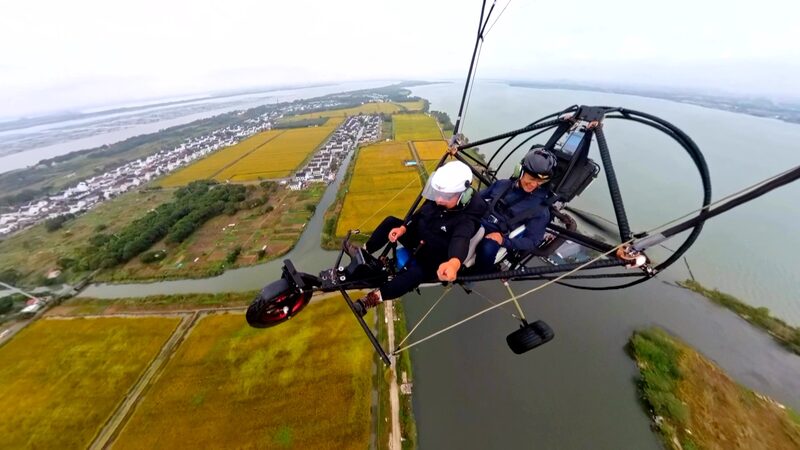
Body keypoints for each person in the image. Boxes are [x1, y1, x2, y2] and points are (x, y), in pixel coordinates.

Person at [352, 160, 487, 316]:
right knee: (391, 222)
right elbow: (420, 213)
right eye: (437, 193)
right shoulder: (438, 199)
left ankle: (371, 299)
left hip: (434, 258)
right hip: (420, 239)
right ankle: (364, 253)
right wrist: (403, 228)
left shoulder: (467, 219)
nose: (438, 199)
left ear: (463, 196)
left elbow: (460, 240)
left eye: (445, 196)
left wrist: (453, 263)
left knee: (414, 275)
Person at [473, 148, 557, 273]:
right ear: (520, 170)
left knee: (487, 249)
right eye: (531, 178)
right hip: (478, 221)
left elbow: (532, 241)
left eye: (540, 181)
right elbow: (475, 198)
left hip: (497, 234)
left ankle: (477, 273)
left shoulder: (540, 210)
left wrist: (504, 241)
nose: (534, 184)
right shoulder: (502, 185)